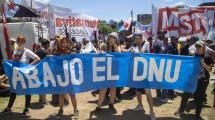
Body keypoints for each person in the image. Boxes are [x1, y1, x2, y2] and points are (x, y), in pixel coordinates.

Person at [0, 35, 41, 116]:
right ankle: (8, 108)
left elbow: (38, 59)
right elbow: (13, 63)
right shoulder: (15, 51)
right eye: (19, 41)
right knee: (13, 90)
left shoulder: (27, 51)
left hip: (24, 75)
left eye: (22, 41)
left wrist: (28, 67)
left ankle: (26, 108)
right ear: (17, 42)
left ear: (24, 42)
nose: (20, 42)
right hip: (16, 75)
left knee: (27, 91)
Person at [174, 40, 214, 120]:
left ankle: (197, 115)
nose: (197, 48)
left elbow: (210, 70)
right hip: (192, 79)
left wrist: (203, 63)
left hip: (202, 81)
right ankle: (181, 110)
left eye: (199, 46)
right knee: (186, 95)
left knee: (199, 98)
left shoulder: (208, 57)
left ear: (204, 47)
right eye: (196, 46)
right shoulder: (192, 56)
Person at [129, 33, 156, 120]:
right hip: (137, 72)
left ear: (142, 37)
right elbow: (127, 52)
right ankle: (140, 105)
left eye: (139, 38)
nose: (137, 40)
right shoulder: (134, 45)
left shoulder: (146, 43)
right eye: (136, 38)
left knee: (148, 92)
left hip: (145, 72)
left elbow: (144, 54)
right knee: (137, 90)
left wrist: (139, 45)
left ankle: (152, 111)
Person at [93, 32, 121, 113]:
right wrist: (100, 53)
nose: (110, 39)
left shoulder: (117, 46)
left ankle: (111, 104)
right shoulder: (104, 46)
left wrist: (115, 45)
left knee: (113, 88)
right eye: (110, 37)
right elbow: (99, 53)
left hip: (114, 69)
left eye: (113, 38)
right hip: (105, 69)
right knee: (103, 88)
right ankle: (98, 107)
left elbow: (119, 54)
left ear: (116, 39)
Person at [52, 36, 79, 119]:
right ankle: (60, 110)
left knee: (72, 94)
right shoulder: (56, 52)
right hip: (60, 75)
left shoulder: (71, 50)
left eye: (66, 42)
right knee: (61, 94)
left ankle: (75, 110)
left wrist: (74, 54)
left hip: (70, 75)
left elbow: (77, 56)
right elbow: (52, 60)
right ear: (60, 42)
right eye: (63, 42)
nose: (64, 44)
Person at [154, 30, 171, 103]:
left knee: (159, 80)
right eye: (161, 33)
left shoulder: (160, 41)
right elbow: (162, 53)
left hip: (159, 63)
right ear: (158, 34)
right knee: (165, 80)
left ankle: (158, 95)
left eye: (164, 33)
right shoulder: (159, 42)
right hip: (162, 63)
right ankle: (163, 97)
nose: (163, 34)